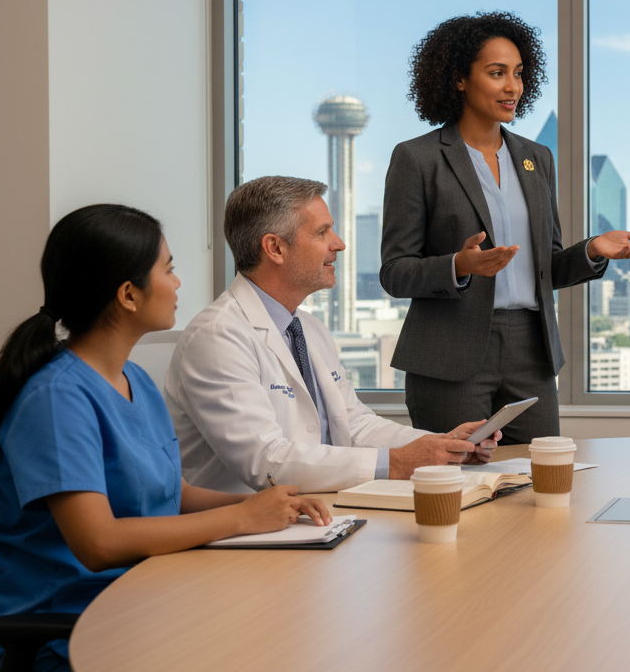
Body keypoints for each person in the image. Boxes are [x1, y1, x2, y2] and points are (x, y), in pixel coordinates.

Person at [0, 204, 330, 672]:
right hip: (65, 628)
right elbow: (98, 543)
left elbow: (174, 493)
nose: (177, 284)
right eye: (168, 269)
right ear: (128, 295)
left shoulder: (134, 379)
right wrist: (239, 518)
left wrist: (270, 507)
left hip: (147, 597)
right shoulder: (56, 397)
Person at [380, 11, 630, 443]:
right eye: (496, 73)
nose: (513, 87)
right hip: (451, 352)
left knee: (540, 483)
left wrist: (594, 250)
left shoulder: (536, 157)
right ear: (459, 79)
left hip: (532, 350)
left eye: (519, 74)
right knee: (460, 490)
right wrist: (459, 265)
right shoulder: (418, 158)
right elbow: (395, 271)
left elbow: (547, 267)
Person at [167, 176, 497, 494]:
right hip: (243, 533)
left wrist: (440, 446)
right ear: (275, 248)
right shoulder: (218, 337)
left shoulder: (308, 328)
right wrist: (398, 462)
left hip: (318, 513)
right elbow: (265, 461)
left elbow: (354, 424)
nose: (338, 244)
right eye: (323, 232)